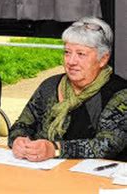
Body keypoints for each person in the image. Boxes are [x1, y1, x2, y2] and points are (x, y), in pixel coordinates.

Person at [9, 17, 127, 161]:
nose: (71, 61)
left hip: (95, 178)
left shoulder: (120, 94)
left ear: (103, 59)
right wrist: (18, 140)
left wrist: (55, 149)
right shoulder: (50, 86)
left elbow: (106, 145)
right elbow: (22, 124)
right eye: (67, 52)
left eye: (80, 54)